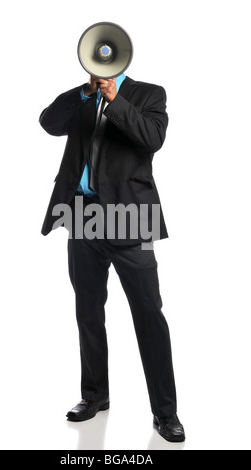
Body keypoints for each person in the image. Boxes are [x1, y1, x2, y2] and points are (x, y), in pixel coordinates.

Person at [39, 72, 185, 443]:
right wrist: (85, 93)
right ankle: (94, 396)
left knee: (149, 313)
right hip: (82, 217)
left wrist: (115, 98)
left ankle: (165, 413)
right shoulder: (83, 97)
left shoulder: (149, 94)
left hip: (132, 218)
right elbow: (49, 122)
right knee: (88, 311)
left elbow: (152, 138)